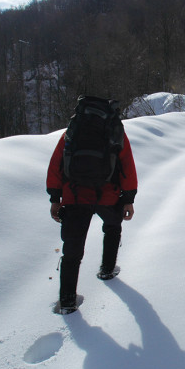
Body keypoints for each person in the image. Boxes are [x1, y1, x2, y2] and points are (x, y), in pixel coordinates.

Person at [46, 98, 138, 314]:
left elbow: (56, 165)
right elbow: (127, 165)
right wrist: (129, 198)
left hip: (75, 195)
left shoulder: (73, 130)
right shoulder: (115, 130)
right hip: (108, 195)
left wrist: (55, 198)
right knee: (113, 227)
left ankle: (67, 300)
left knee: (72, 250)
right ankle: (107, 270)